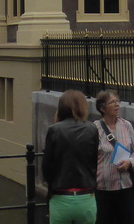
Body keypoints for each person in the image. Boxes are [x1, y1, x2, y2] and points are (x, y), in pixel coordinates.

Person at [43, 89, 99, 224]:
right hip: (86, 195)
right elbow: (94, 161)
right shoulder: (92, 129)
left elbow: (46, 166)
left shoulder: (54, 130)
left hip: (61, 196)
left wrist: (53, 184)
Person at [93, 89, 134, 224]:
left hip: (125, 186)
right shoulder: (95, 128)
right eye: (112, 102)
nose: (117, 105)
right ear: (102, 108)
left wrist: (130, 162)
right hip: (103, 188)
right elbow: (90, 157)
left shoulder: (126, 125)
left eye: (117, 102)